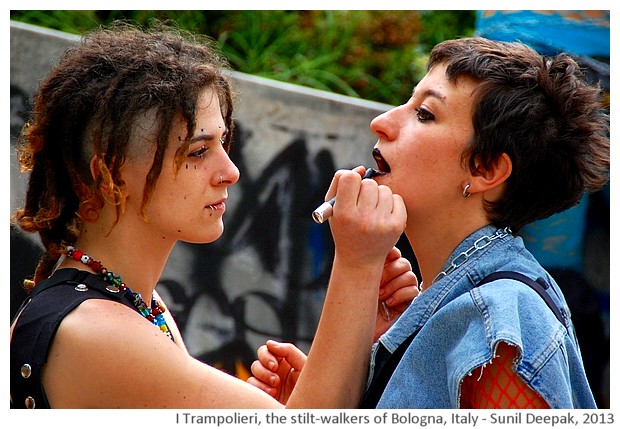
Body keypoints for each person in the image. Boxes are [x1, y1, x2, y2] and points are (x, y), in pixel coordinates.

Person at [9, 21, 418, 409]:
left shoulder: (135, 301)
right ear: (109, 175)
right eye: (198, 152)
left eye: (223, 142)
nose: (231, 172)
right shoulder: (96, 331)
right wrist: (357, 263)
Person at [248, 36, 610, 409]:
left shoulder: (498, 325)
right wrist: (345, 391)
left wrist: (357, 264)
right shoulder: (448, 309)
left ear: (485, 169)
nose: (381, 122)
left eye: (425, 114)